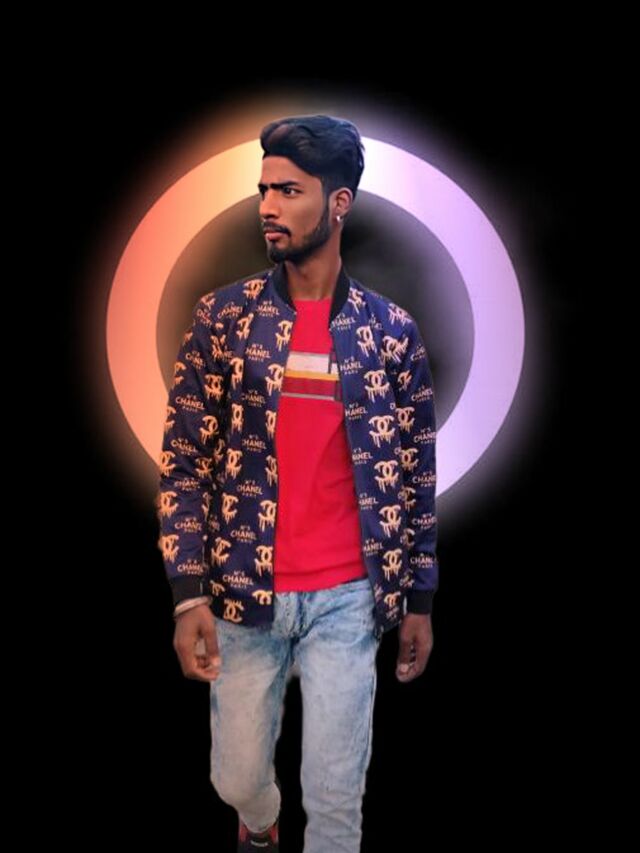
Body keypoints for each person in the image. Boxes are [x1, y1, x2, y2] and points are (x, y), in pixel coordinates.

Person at [156, 114, 439, 853]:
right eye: (264, 190)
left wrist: (419, 600)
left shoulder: (391, 333)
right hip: (243, 592)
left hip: (349, 597)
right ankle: (260, 820)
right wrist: (188, 593)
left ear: (338, 203)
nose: (268, 206)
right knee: (236, 778)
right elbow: (184, 461)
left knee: (338, 797)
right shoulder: (223, 320)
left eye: (289, 190)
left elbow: (417, 473)